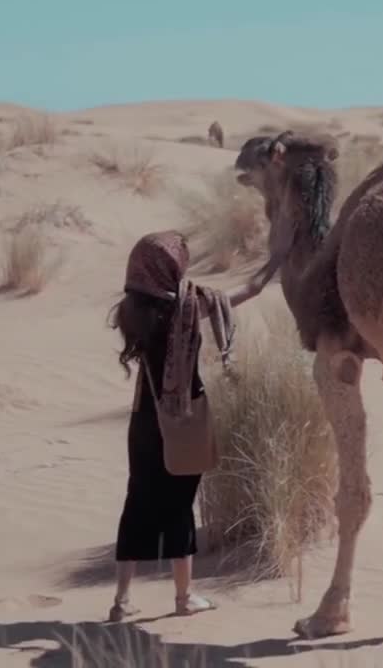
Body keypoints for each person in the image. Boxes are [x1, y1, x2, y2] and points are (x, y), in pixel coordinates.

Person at [105, 230, 235, 621]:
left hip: (144, 417)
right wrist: (274, 264)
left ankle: (121, 601)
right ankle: (184, 598)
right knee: (179, 507)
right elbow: (238, 297)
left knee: (137, 503)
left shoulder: (130, 311)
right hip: (183, 417)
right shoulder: (187, 307)